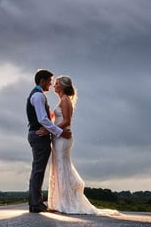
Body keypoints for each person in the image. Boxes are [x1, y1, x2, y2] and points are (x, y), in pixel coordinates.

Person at [44, 75, 118, 216]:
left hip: (63, 138)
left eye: (57, 83)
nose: (54, 85)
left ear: (63, 86)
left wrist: (50, 129)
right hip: (59, 137)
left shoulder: (65, 100)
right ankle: (60, 202)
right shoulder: (62, 100)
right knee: (60, 167)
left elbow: (66, 121)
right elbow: (59, 118)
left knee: (62, 167)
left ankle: (65, 203)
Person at [27, 69, 71, 213]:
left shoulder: (38, 95)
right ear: (42, 81)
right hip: (39, 135)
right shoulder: (38, 96)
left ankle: (36, 202)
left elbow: (46, 117)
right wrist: (59, 132)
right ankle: (36, 204)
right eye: (50, 82)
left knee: (38, 170)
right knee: (38, 170)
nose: (51, 85)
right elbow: (42, 119)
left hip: (39, 135)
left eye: (54, 83)